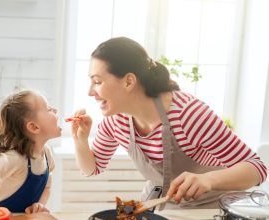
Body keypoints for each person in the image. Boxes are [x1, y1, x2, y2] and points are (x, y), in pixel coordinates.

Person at [69, 37, 267, 209]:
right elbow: (92, 168)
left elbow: (258, 169)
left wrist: (208, 180)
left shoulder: (189, 115)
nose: (90, 92)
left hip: (208, 208)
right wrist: (80, 141)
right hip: (159, 204)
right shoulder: (115, 121)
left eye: (97, 81)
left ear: (129, 81)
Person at [0, 90, 61, 215]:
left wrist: (39, 204)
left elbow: (47, 186)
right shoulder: (14, 160)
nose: (55, 110)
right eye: (49, 109)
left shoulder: (47, 154)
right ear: (34, 127)